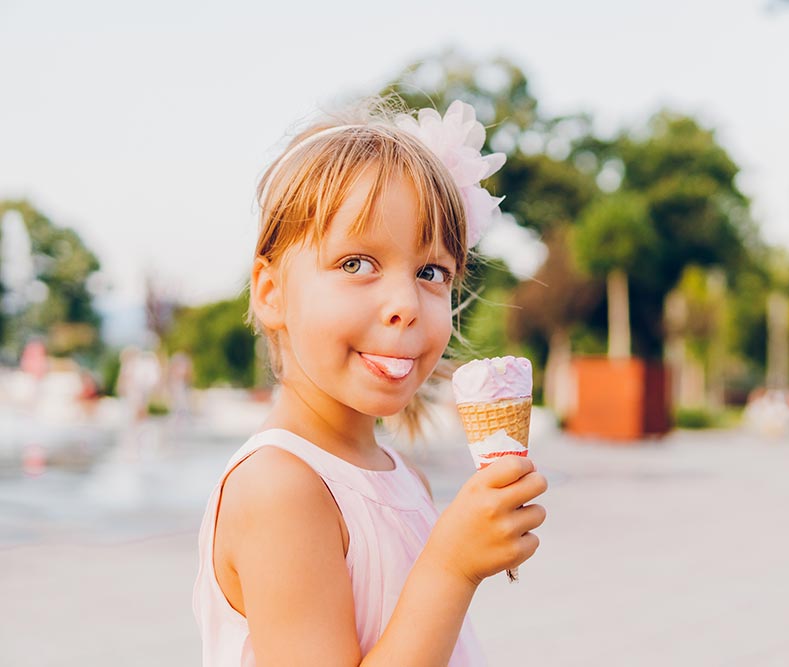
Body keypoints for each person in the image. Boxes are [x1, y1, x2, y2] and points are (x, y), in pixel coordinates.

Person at [192, 99, 547, 667]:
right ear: (271, 291)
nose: (405, 305)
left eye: (431, 272)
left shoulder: (407, 479)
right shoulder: (281, 489)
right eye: (357, 264)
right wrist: (452, 567)